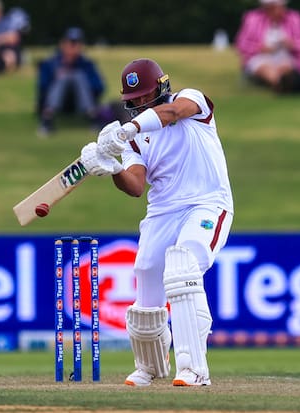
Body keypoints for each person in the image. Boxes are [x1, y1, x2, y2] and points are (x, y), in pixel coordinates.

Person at [79, 59, 234, 386]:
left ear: (161, 89)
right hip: (162, 211)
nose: (136, 106)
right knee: (147, 272)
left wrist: (127, 128)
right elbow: (135, 186)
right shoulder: (135, 141)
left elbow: (173, 113)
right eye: (131, 102)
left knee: (184, 265)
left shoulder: (193, 101)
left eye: (141, 98)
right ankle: (150, 365)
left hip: (206, 203)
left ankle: (193, 369)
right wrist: (109, 167)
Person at [235, 0, 300, 93]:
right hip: (260, 57)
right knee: (265, 67)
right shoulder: (252, 19)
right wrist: (259, 48)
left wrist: (291, 45)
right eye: (274, 7)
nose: (279, 10)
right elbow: (242, 44)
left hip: (286, 56)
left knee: (286, 66)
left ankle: (284, 85)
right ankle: (282, 84)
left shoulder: (295, 18)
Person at [37, 27, 105, 136]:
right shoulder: (51, 63)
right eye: (71, 43)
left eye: (76, 44)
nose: (73, 47)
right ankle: (47, 118)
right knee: (64, 76)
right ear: (63, 44)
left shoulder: (87, 65)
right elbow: (42, 87)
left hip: (79, 103)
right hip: (58, 102)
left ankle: (92, 116)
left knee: (78, 76)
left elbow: (99, 87)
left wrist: (77, 72)